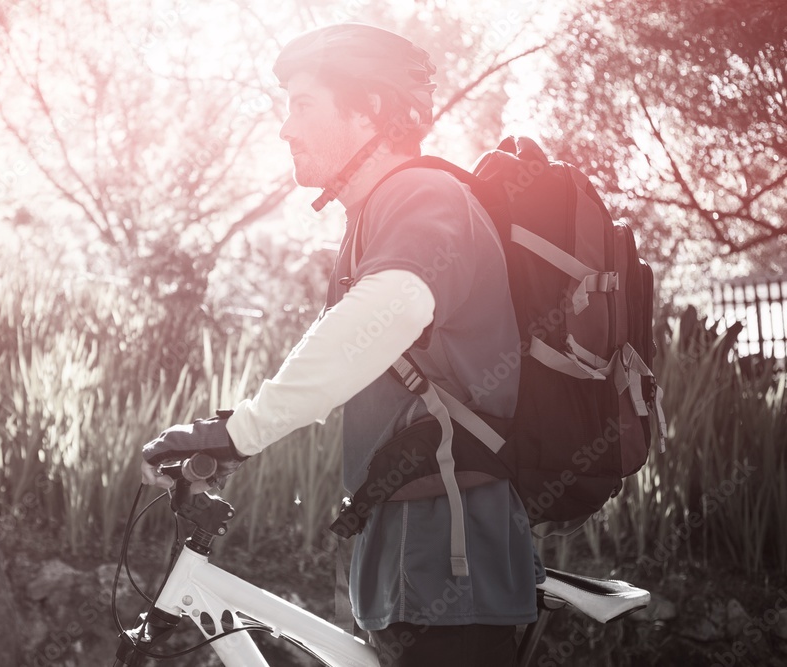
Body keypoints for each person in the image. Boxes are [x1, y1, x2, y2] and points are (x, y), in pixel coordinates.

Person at [142, 23, 539, 666]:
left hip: (449, 555)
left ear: (371, 111)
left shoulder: (422, 194)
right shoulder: (377, 215)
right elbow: (356, 351)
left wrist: (240, 432)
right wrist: (231, 438)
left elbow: (383, 316)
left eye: (303, 104)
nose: (285, 128)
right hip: (415, 550)